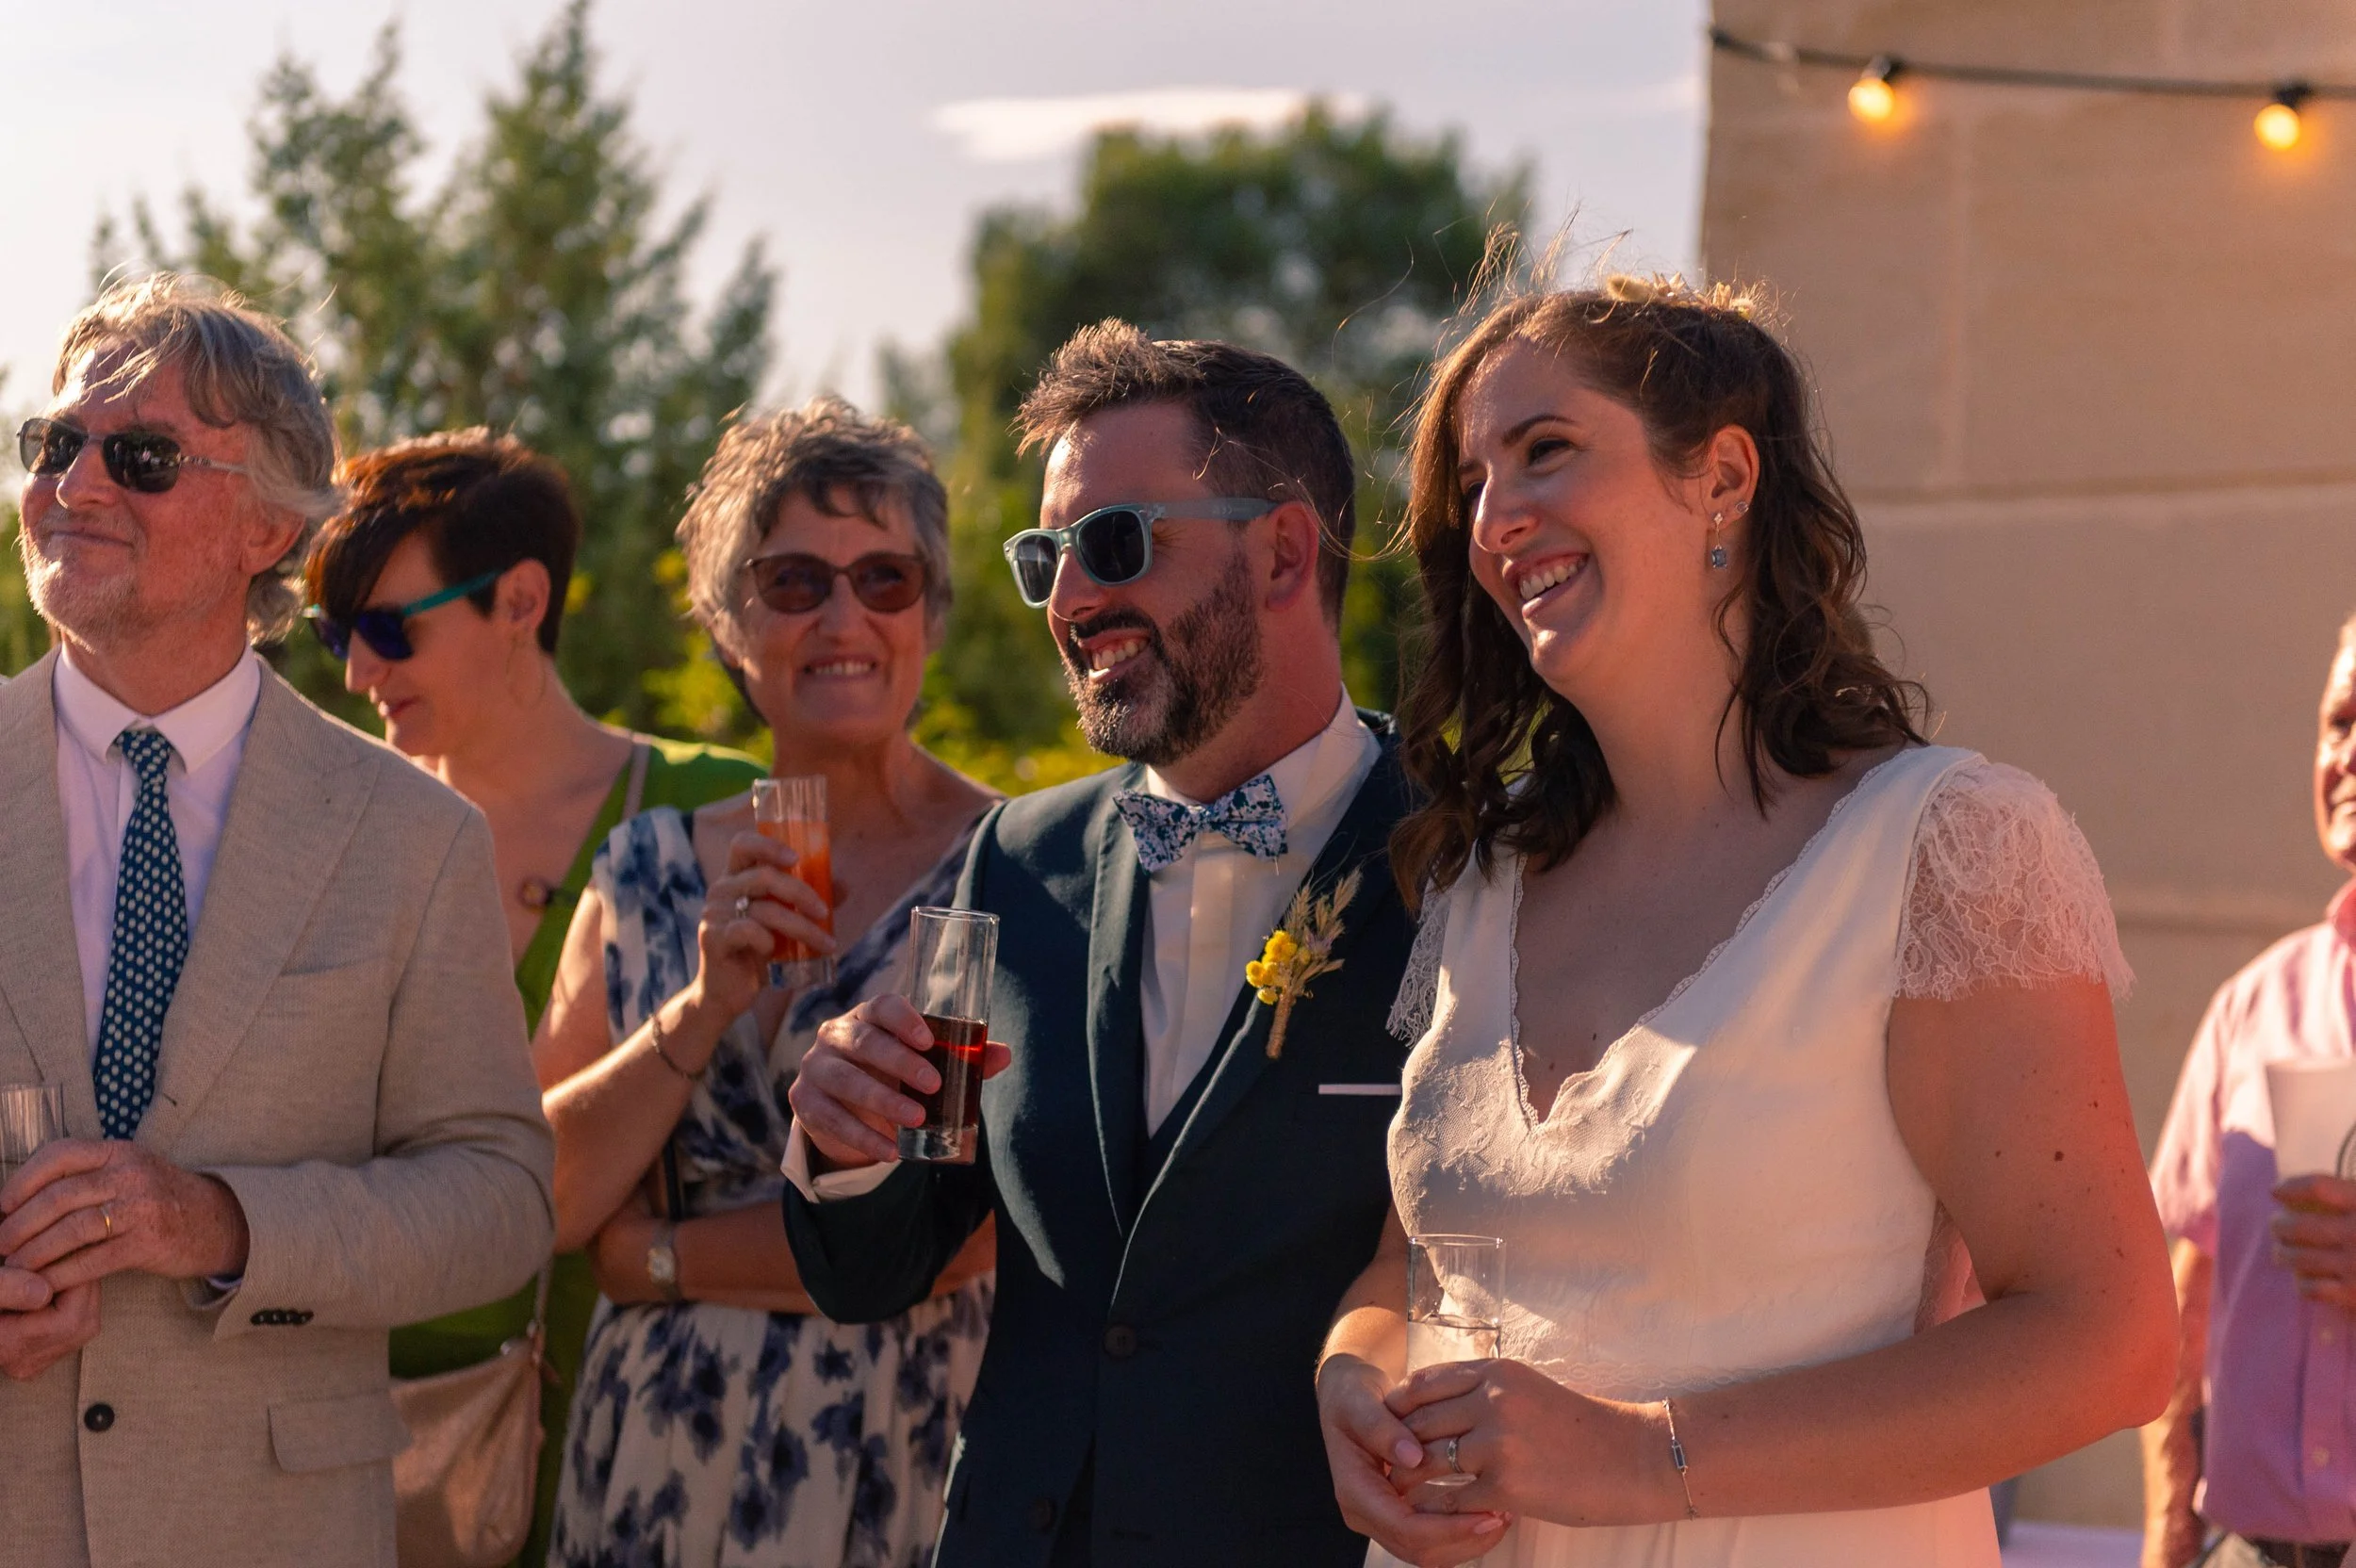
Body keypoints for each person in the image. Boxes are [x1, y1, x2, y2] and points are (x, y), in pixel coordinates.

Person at [1314, 274, 2178, 1568]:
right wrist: (1355, 1376)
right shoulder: (1488, 871)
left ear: (1721, 477)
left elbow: (2108, 1344)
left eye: (1546, 452)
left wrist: (1645, 1458)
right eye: (1476, 485)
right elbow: (1416, 1263)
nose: (1499, 519)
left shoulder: (1945, 849)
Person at [781, 324, 1420, 1567]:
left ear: (1285, 553)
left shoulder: (1469, 864)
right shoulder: (1013, 862)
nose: (1071, 599)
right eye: (1048, 556)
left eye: (1116, 543)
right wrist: (846, 1143)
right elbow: (885, 1260)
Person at [0, 276, 553, 1564]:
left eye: (137, 456)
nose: (75, 485)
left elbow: (499, 1201)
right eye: (54, 444)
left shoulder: (409, 837)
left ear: (265, 529)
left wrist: (224, 1223)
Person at [534, 396, 997, 1567]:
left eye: (884, 578)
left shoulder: (1018, 870)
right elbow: (538, 1197)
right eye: (795, 581)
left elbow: (955, 1233)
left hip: (902, 1454)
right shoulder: (645, 869)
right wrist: (702, 1007)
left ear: (928, 614)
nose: (844, 615)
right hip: (655, 1462)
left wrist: (661, 1255)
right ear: (731, 623)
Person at [303, 429, 764, 1566]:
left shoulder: (719, 811)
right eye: (334, 634)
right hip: (355, 1437)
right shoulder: (329, 834)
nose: (356, 674)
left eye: (385, 627)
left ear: (520, 599)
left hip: (637, 1418)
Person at [2145, 618, 2356, 1568]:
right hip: (2248, 1548)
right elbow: (2178, 1289)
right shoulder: (2253, 1002)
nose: (2347, 754)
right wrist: (2167, 1525)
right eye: (2338, 722)